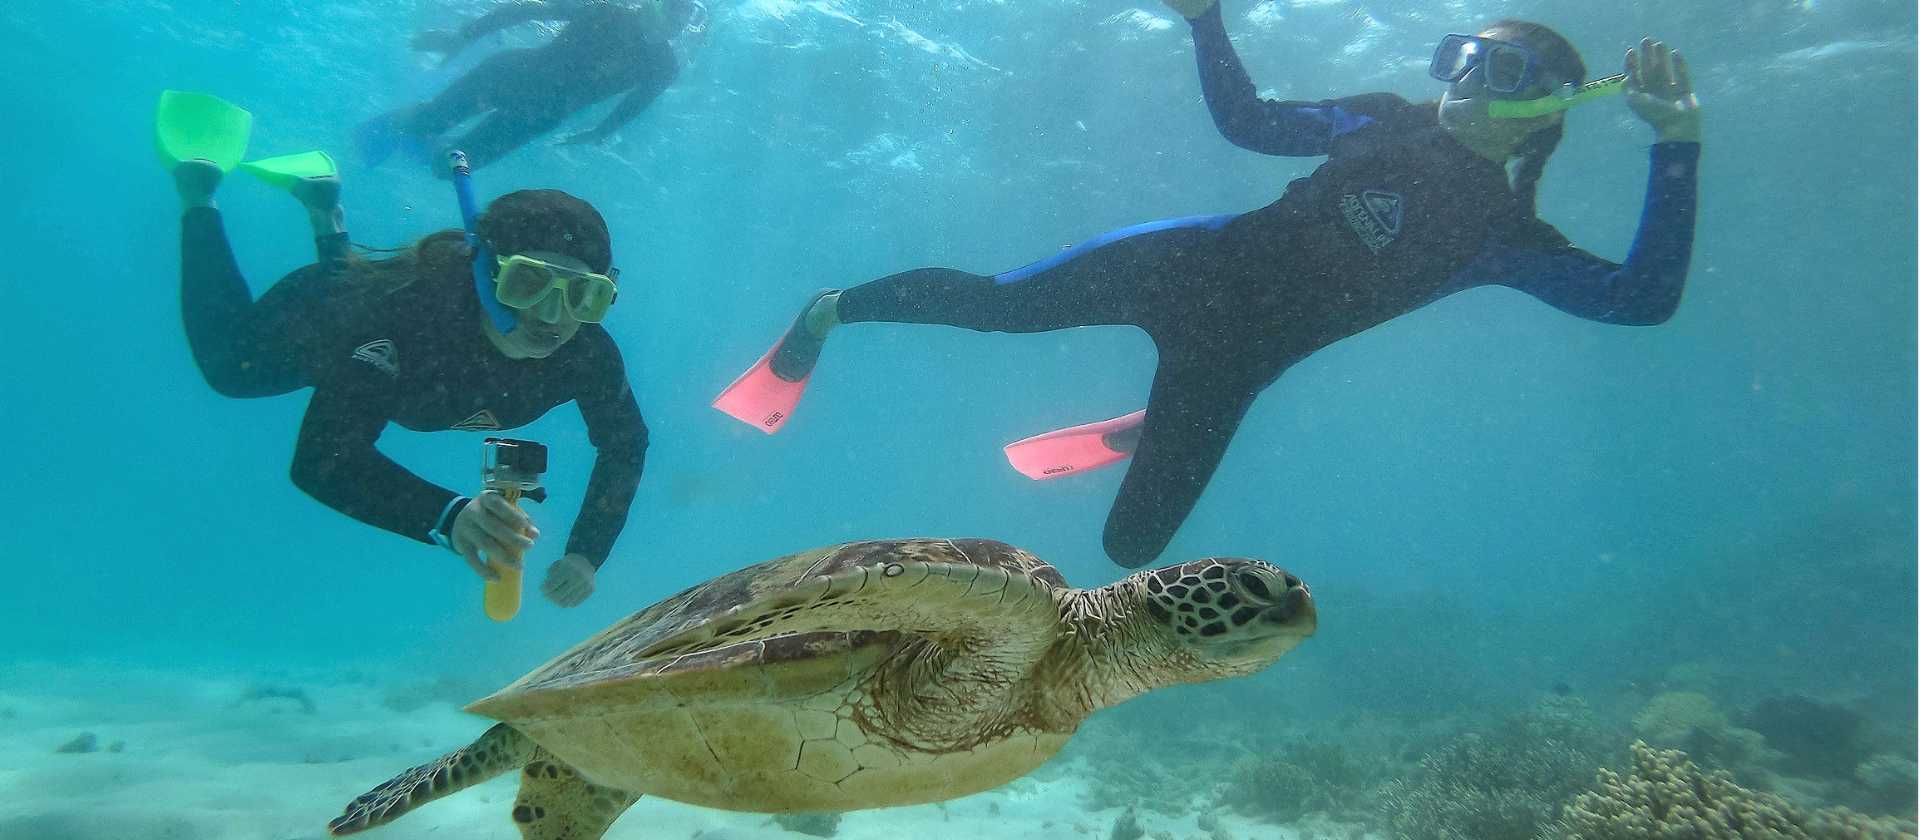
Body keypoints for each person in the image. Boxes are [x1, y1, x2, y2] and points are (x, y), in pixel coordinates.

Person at [713, 5, 1702, 569]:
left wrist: (1677, 146)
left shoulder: (1505, 236)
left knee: (1128, 550)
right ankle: (827, 311)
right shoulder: (1379, 119)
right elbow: (1249, 124)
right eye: (1464, 56)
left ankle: (1140, 428)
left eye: (1503, 68)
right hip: (1178, 263)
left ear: (1545, 109)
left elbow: (1638, 300)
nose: (1469, 77)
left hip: (1237, 360)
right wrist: (1204, 20)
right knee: (997, 303)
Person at [165, 98, 649, 606]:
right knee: (230, 371)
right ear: (486, 273)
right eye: (529, 282)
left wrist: (586, 553)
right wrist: (448, 516)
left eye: (582, 295)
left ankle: (323, 207)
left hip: (383, 332)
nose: (552, 317)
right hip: (327, 313)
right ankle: (199, 192)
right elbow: (321, 460)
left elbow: (625, 442)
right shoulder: (408, 325)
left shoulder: (587, 354)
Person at [355, 0, 697, 174]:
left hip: (541, 116)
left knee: (450, 171)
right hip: (508, 76)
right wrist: (462, 36)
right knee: (427, 121)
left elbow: (635, 104)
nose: (679, 22)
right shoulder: (605, 11)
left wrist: (600, 131)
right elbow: (528, 10)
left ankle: (422, 141)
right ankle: (405, 127)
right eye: (674, 9)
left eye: (686, 16)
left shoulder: (663, 67)